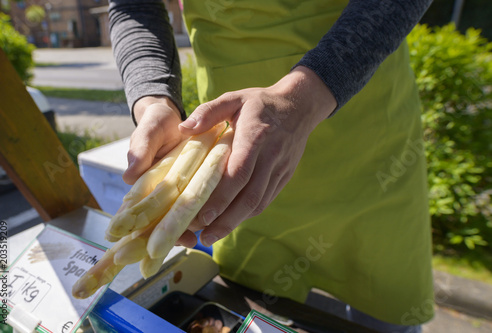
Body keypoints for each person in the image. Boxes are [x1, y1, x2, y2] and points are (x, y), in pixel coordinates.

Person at [109, 0, 435, 332]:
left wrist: (305, 97)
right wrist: (153, 99)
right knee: (252, 315)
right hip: (239, 161)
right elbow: (134, 6)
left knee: (383, 317)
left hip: (365, 141)